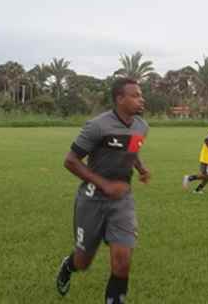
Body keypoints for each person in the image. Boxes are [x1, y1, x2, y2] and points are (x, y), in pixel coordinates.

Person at [55, 78, 150, 303]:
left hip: (122, 200)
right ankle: (68, 266)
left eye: (141, 94)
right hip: (92, 200)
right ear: (119, 99)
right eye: (135, 95)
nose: (141, 99)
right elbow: (70, 161)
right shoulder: (97, 125)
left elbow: (132, 149)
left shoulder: (141, 126)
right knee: (83, 262)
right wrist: (104, 184)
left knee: (122, 261)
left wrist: (141, 168)